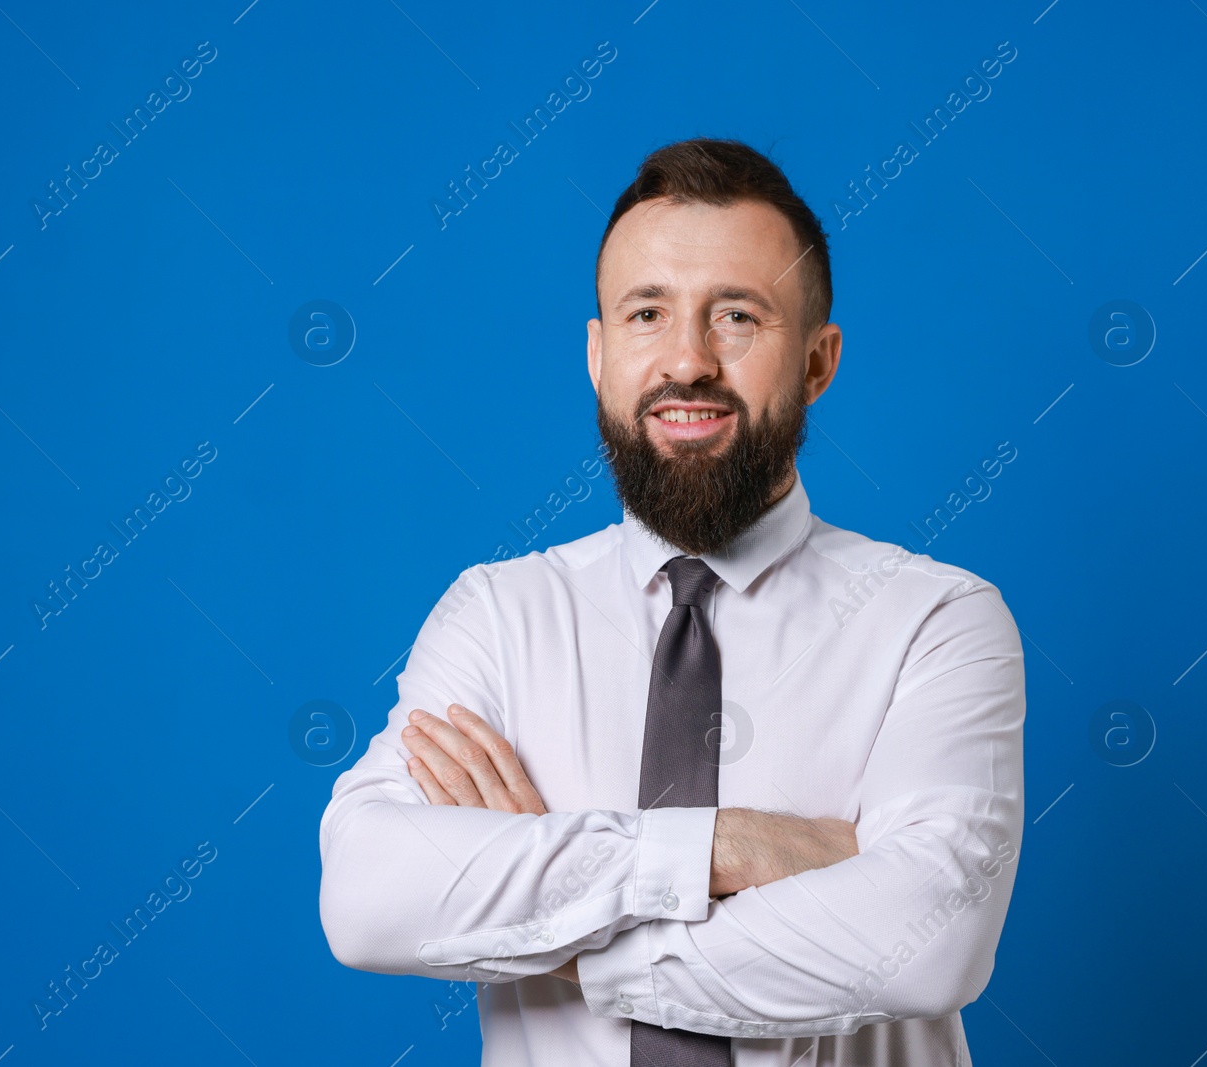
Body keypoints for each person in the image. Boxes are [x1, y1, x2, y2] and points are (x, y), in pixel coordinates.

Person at [319, 137, 1025, 1066]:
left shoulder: (935, 622)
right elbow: (370, 897)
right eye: (647, 313)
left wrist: (564, 926)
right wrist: (720, 848)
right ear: (599, 352)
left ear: (818, 362)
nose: (687, 361)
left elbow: (929, 944)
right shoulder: (499, 614)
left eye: (737, 315)